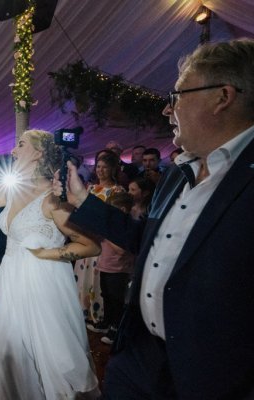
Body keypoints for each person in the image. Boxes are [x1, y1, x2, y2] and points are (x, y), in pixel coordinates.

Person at [56, 39, 254, 399]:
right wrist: (84, 200)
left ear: (222, 97)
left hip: (211, 379)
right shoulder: (178, 172)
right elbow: (144, 240)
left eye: (177, 95)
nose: (166, 109)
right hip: (138, 357)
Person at [0, 129, 101, 399]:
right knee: (13, 352)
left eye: (20, 145)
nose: (12, 151)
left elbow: (91, 245)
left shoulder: (53, 197)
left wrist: (49, 254)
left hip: (43, 283)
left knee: (52, 354)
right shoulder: (13, 190)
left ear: (38, 153)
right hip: (11, 279)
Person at [76, 151, 124, 327]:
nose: (101, 170)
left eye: (105, 167)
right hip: (87, 237)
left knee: (98, 279)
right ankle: (83, 310)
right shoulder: (90, 188)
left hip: (103, 240)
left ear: (113, 169)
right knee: (84, 274)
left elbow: (116, 218)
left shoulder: (118, 190)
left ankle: (99, 314)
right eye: (98, 167)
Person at [96, 192, 134, 346]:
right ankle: (106, 322)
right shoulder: (112, 224)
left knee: (116, 300)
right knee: (106, 295)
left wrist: (106, 235)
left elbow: (122, 250)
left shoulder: (127, 226)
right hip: (105, 266)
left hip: (119, 270)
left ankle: (115, 328)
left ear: (123, 209)